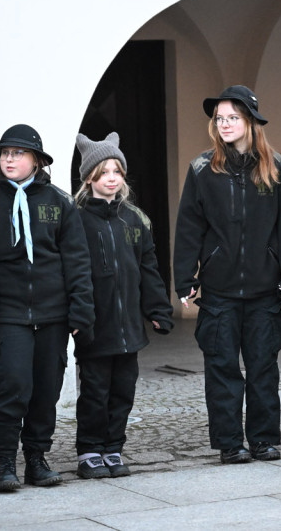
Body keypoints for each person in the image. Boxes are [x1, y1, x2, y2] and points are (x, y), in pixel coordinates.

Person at [0, 125, 95, 492]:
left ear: (36, 160)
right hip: (8, 312)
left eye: (18, 153)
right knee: (13, 387)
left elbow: (77, 261)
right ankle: (5, 463)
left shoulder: (60, 201)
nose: (9, 159)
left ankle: (37, 458)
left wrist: (80, 310)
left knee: (45, 391)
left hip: (53, 313)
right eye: (4, 153)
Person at [174, 86, 281, 464]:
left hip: (265, 291)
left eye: (233, 117)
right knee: (222, 370)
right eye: (220, 118)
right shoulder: (202, 169)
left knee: (264, 369)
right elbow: (188, 228)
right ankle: (230, 443)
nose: (225, 124)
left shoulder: (279, 170)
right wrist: (185, 277)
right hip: (219, 292)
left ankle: (263, 440)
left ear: (250, 122)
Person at [73, 132, 173, 479]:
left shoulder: (134, 219)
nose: (111, 178)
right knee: (95, 392)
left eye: (117, 171)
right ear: (89, 178)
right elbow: (73, 271)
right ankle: (89, 450)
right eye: (103, 173)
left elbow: (149, 267)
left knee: (122, 391)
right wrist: (77, 316)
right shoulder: (77, 219)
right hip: (94, 325)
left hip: (128, 325)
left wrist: (158, 310)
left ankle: (113, 448)